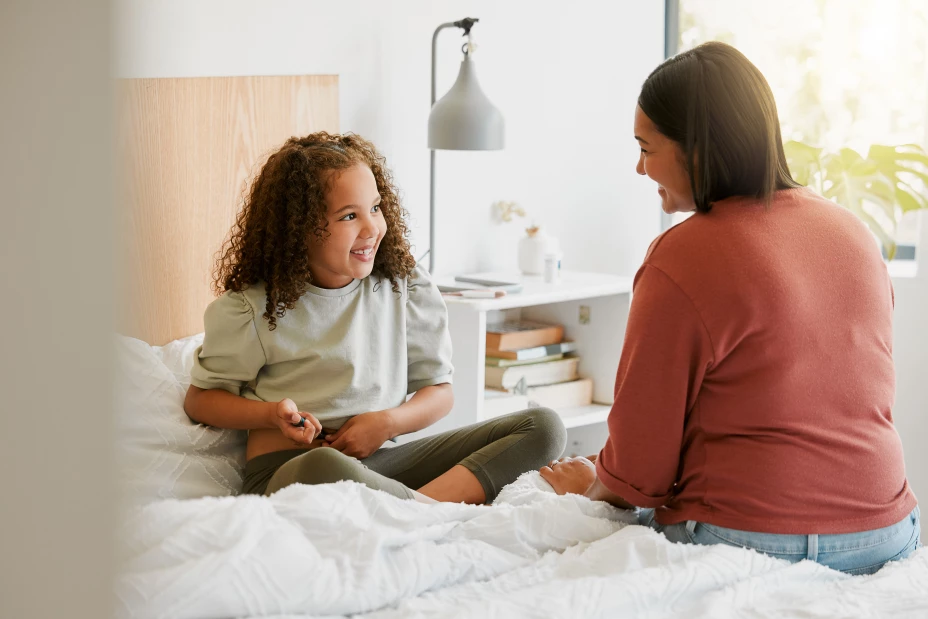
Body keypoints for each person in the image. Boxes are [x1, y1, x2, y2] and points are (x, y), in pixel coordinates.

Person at [540, 42, 920, 575]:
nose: (639, 166)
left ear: (696, 149)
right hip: (886, 530)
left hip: (748, 535)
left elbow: (639, 467)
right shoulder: (855, 234)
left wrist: (593, 486)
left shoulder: (682, 255)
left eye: (647, 148)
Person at [184, 132, 566, 504]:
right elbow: (201, 400)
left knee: (544, 428)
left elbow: (440, 393)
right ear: (298, 229)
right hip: (294, 472)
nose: (372, 228)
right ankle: (428, 511)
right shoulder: (254, 309)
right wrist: (272, 415)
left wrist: (387, 423)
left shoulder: (405, 287)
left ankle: (411, 510)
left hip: (381, 465)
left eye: (376, 208)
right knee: (322, 463)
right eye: (349, 215)